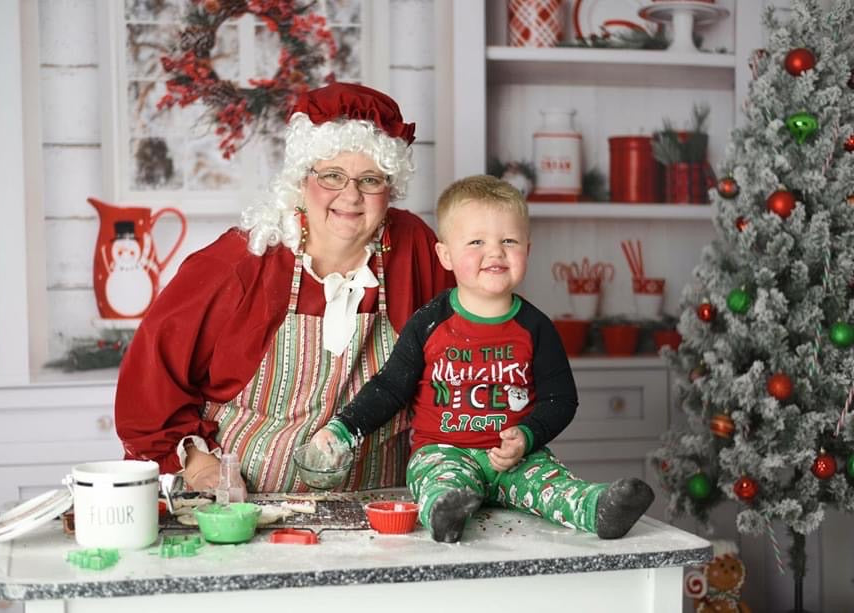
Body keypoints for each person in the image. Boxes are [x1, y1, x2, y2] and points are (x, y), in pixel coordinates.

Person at [114, 82, 454, 493]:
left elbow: (457, 355)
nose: (350, 195)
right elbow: (153, 383)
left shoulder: (413, 247)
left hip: (378, 505)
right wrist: (203, 469)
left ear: (391, 189)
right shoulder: (244, 260)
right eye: (332, 175)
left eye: (370, 180)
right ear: (301, 179)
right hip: (247, 506)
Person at [308, 175, 654, 542]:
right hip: (443, 452)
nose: (495, 252)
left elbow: (561, 400)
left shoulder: (535, 328)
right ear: (445, 255)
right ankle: (447, 513)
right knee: (437, 480)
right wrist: (343, 428)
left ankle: (597, 507)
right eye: (476, 242)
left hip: (516, 459)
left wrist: (526, 435)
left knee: (551, 483)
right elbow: (390, 388)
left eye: (509, 241)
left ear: (527, 250)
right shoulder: (429, 323)